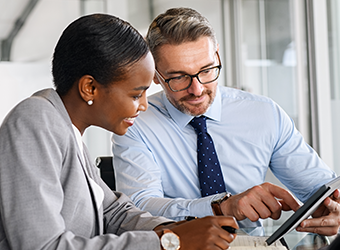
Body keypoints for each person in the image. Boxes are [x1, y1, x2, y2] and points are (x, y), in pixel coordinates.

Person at [0, 13, 239, 250]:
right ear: (90, 88)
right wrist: (170, 242)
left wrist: (176, 230)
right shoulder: (36, 120)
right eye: (136, 95)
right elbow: (42, 246)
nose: (144, 105)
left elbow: (114, 212)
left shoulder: (68, 131)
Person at [112, 7, 340, 235]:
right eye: (179, 77)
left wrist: (334, 209)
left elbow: (321, 189)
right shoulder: (135, 123)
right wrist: (219, 208)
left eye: (206, 70)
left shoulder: (264, 113)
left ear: (217, 56)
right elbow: (139, 208)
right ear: (155, 74)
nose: (197, 89)